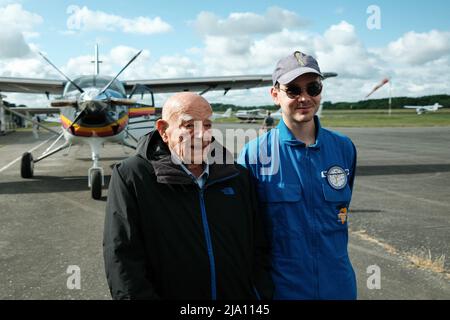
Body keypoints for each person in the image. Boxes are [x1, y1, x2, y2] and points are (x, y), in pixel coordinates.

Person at [103, 92, 273, 300]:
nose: (202, 135)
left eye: (207, 125)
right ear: (164, 130)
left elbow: (258, 246)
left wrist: (259, 295)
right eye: (189, 126)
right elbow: (123, 259)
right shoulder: (132, 177)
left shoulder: (237, 175)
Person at [238, 51, 358, 300]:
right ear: (275, 95)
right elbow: (244, 234)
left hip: (339, 287)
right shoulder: (253, 155)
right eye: (293, 90)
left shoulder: (344, 148)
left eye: (312, 88)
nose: (304, 98)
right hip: (282, 290)